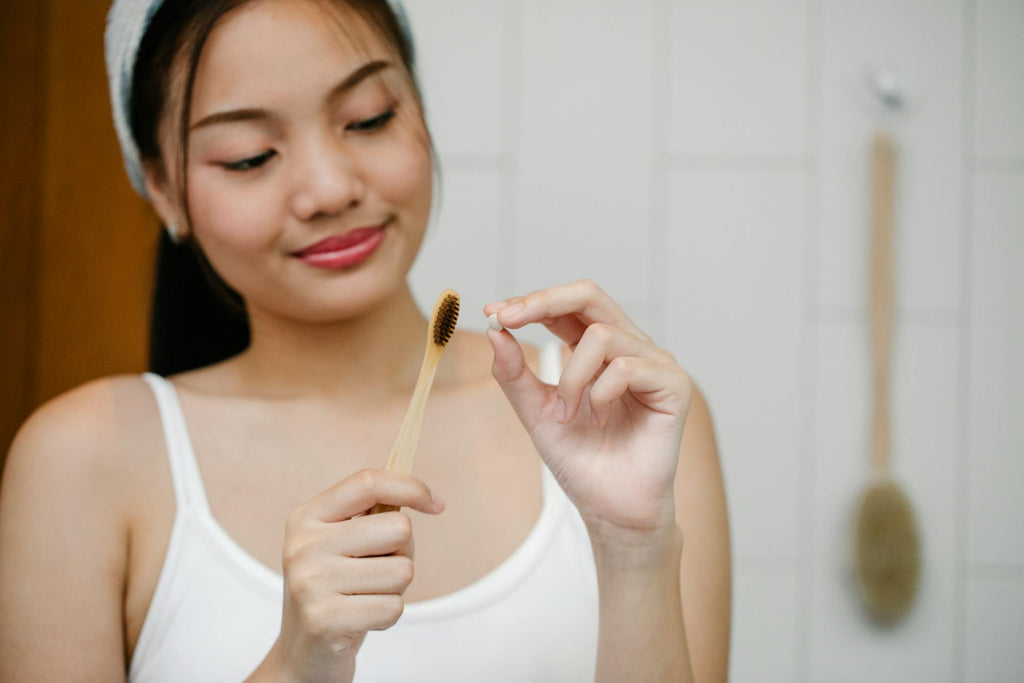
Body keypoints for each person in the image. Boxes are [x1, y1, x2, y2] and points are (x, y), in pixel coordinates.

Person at [0, 0, 731, 680]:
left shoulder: (621, 420)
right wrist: (294, 664)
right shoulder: (83, 458)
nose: (329, 188)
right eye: (251, 156)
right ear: (162, 187)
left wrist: (636, 553)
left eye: (369, 118)